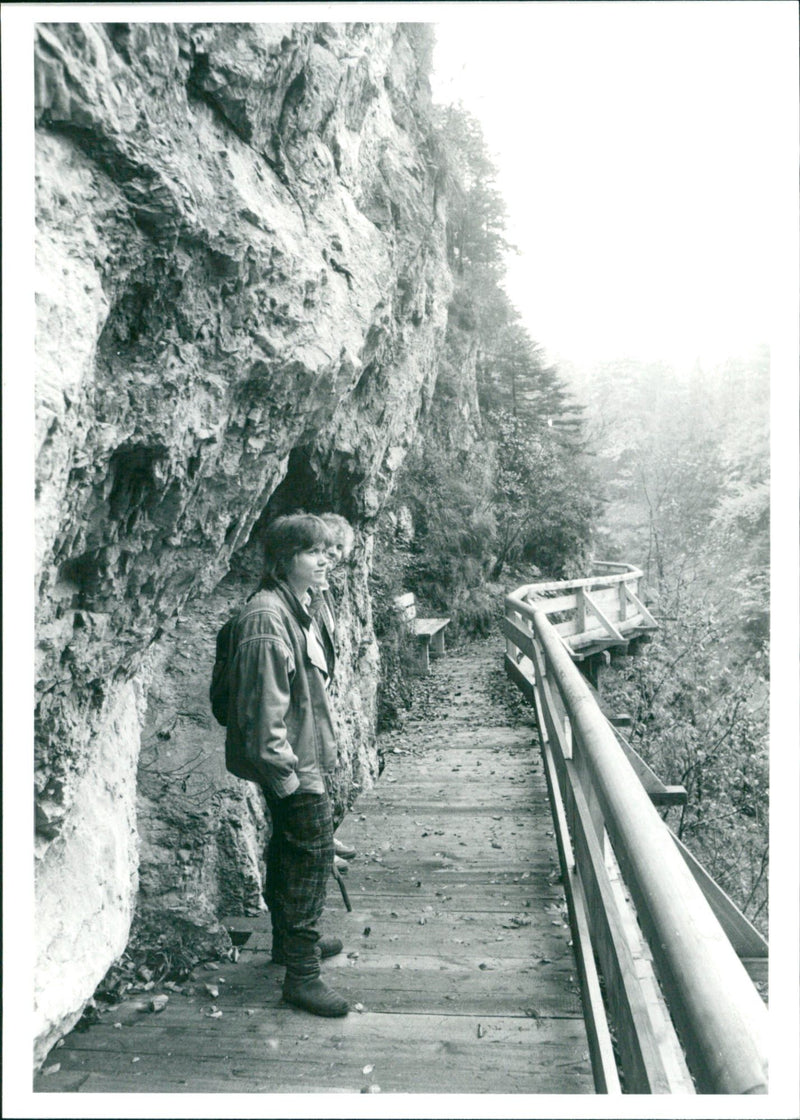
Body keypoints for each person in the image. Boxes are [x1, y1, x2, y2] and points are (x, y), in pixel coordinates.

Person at [225, 513, 350, 1017]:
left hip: (305, 758)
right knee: (309, 865)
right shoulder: (266, 617)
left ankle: (286, 945)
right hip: (295, 767)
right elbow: (263, 714)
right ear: (283, 560)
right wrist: (290, 781)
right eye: (311, 552)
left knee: (289, 854)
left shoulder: (298, 605)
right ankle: (301, 976)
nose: (325, 559)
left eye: (326, 549)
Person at [312, 513, 358, 870]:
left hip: (318, 694)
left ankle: (324, 837)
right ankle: (317, 849)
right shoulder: (309, 594)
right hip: (304, 701)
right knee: (305, 780)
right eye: (330, 549)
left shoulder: (324, 590)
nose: (335, 557)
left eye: (341, 549)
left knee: (319, 774)